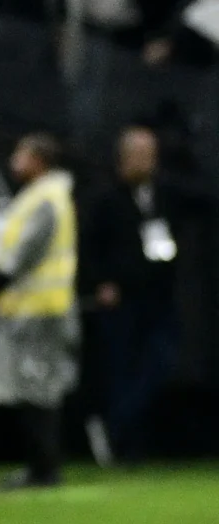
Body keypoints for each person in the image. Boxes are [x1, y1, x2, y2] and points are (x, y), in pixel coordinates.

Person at [82, 126, 180, 460]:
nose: (146, 162)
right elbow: (89, 247)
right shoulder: (105, 198)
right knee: (120, 368)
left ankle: (119, 427)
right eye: (139, 155)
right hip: (121, 300)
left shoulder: (161, 196)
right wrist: (101, 283)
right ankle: (120, 441)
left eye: (150, 154)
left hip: (158, 297)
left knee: (159, 362)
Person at [0, 133, 78, 487]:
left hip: (39, 308)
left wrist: (0, 279)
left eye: (21, 154)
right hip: (39, 306)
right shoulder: (46, 194)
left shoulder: (45, 198)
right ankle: (41, 465)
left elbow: (27, 248)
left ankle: (43, 467)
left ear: (38, 160)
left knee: (37, 388)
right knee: (37, 387)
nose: (15, 161)